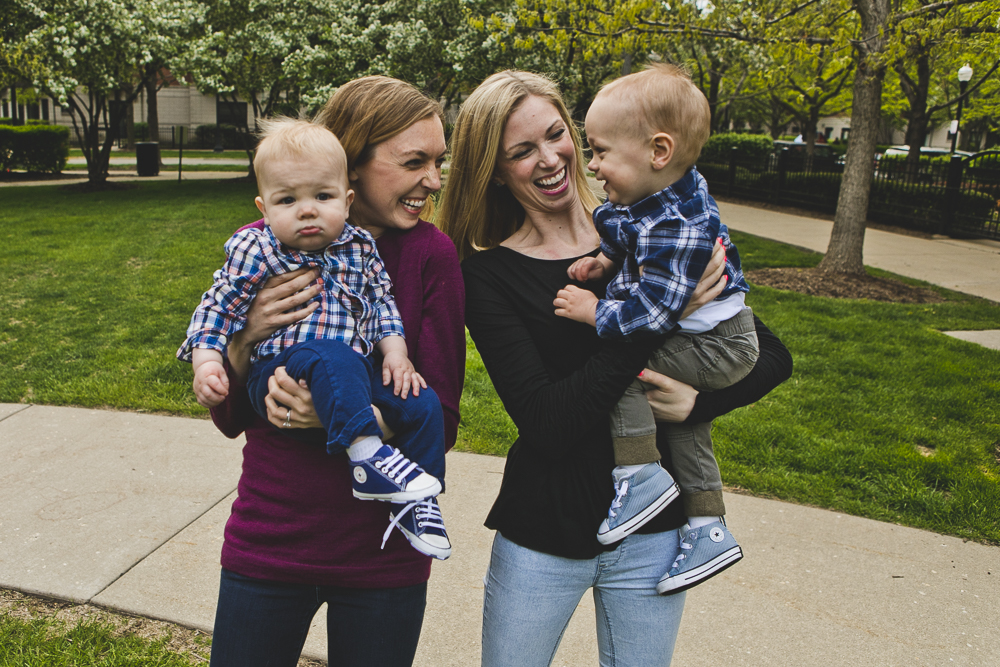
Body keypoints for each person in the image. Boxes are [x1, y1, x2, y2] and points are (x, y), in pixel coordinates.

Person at [437, 70, 792, 666]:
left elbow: (770, 354)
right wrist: (653, 317)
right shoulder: (487, 276)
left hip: (656, 534)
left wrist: (697, 402)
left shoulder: (653, 227)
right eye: (522, 151)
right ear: (495, 170)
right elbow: (547, 423)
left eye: (556, 134)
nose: (550, 158)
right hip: (544, 532)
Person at [204, 76, 465, 667]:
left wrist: (342, 414)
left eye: (438, 161)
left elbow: (441, 417)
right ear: (353, 159)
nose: (433, 179)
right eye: (414, 161)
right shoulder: (268, 247)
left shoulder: (430, 257)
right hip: (272, 537)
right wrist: (245, 338)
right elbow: (229, 416)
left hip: (384, 552)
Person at [178, 118, 448, 559]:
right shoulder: (258, 248)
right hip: (282, 367)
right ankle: (365, 456)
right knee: (329, 354)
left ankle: (419, 501)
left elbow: (381, 304)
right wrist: (209, 361)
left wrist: (397, 354)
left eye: (322, 197)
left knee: (423, 403)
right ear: (264, 208)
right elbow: (216, 307)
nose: (307, 210)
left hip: (352, 372)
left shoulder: (360, 246)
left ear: (347, 198)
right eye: (288, 200)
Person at [552, 64, 759, 594]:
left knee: (623, 370)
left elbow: (648, 316)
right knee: (680, 414)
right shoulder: (658, 196)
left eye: (600, 152)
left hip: (720, 345)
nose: (592, 165)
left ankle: (640, 475)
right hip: (710, 338)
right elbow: (631, 237)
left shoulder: (678, 229)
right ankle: (708, 524)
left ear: (658, 153)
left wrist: (592, 309)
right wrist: (604, 259)